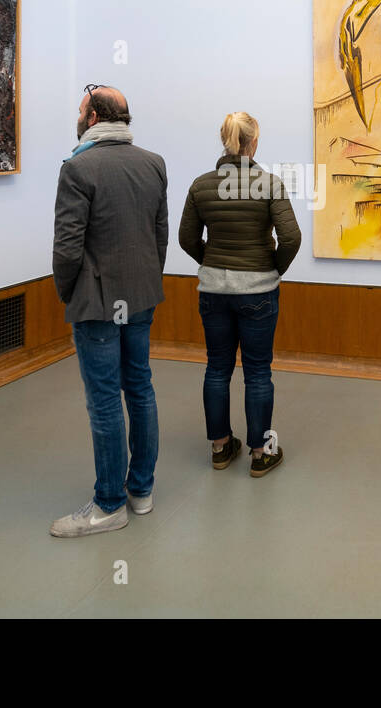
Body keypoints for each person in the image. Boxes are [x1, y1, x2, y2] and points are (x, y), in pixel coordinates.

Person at [49, 85, 168, 538]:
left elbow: (67, 248)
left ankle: (108, 504)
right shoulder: (153, 163)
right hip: (140, 297)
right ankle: (141, 492)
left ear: (95, 117)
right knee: (140, 388)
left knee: (104, 401)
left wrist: (67, 292)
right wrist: (146, 282)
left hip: (97, 304)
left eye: (81, 110)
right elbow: (159, 236)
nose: (78, 117)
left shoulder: (79, 168)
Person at [178, 112, 301, 477]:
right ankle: (261, 454)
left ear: (224, 140)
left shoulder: (201, 185)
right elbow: (291, 238)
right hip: (258, 291)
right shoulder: (269, 184)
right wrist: (272, 267)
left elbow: (186, 239)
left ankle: (219, 448)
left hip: (214, 290)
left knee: (217, 368)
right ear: (254, 142)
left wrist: (211, 262)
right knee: (258, 372)